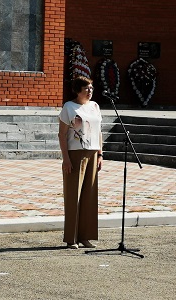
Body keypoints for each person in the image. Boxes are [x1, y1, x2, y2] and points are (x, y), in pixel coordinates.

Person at [58, 76, 103, 249]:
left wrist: (100, 154)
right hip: (75, 155)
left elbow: (98, 132)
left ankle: (85, 236)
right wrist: (66, 159)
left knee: (89, 196)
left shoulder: (95, 106)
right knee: (73, 196)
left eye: (91, 87)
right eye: (86, 88)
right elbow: (62, 135)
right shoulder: (69, 107)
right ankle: (71, 238)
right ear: (78, 90)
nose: (90, 91)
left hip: (92, 154)